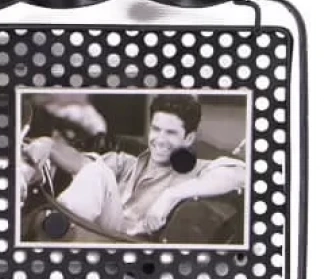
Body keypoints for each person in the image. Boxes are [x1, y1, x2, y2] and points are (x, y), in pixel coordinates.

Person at [21, 94, 246, 238]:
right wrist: (47, 144)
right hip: (91, 231)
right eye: (156, 129)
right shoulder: (128, 164)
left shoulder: (195, 171)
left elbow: (241, 173)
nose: (160, 139)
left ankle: (50, 231)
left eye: (171, 133)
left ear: (188, 139)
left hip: (124, 244)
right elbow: (79, 162)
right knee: (86, 169)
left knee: (98, 172)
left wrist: (171, 195)